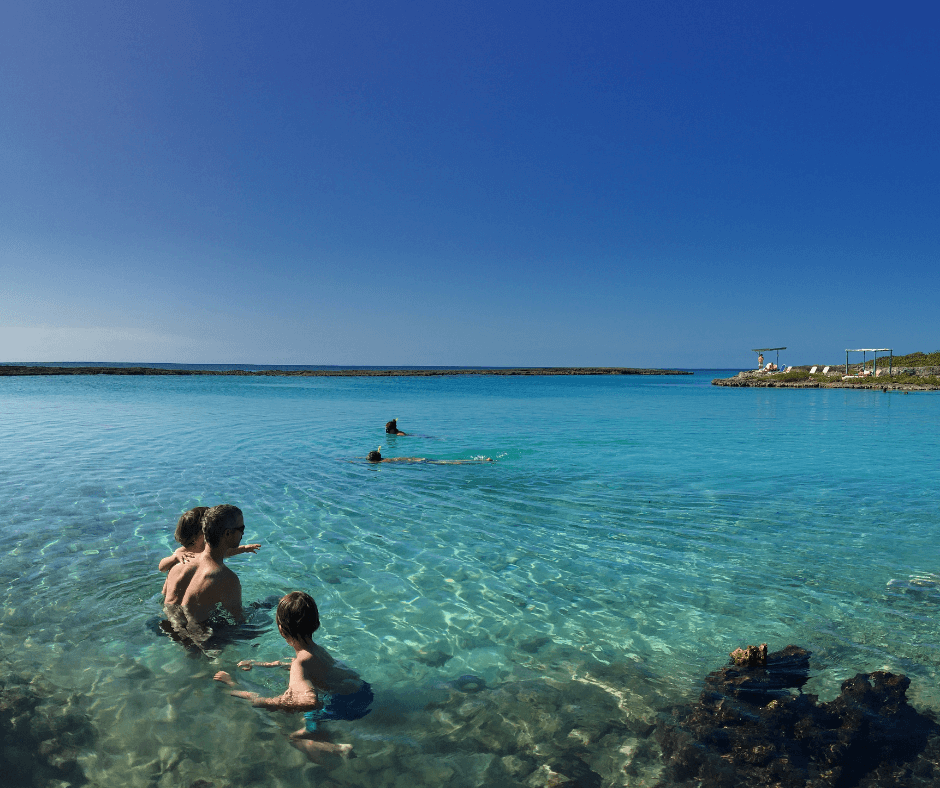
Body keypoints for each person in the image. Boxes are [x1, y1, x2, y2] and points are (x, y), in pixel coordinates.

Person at [213, 591, 372, 758]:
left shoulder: (299, 664)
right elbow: (312, 670)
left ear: (281, 630)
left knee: (292, 736)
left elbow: (310, 701)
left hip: (344, 706)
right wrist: (263, 665)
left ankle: (339, 749)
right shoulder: (316, 651)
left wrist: (271, 701)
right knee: (310, 719)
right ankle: (318, 731)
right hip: (362, 692)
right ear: (316, 623)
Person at [164, 504, 247, 638]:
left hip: (169, 629)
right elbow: (239, 620)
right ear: (227, 533)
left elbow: (167, 601)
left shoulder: (179, 563)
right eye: (241, 529)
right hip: (203, 640)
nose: (243, 533)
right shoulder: (226, 578)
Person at [158, 506, 260, 575]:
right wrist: (175, 557)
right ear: (197, 535)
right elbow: (161, 567)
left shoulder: (205, 551)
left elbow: (226, 553)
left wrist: (244, 549)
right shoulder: (183, 552)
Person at [367, 447, 493, 464]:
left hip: (420, 462)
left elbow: (373, 462)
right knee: (448, 461)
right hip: (419, 459)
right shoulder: (384, 459)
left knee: (450, 462)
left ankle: (482, 462)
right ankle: (482, 461)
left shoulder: (383, 462)